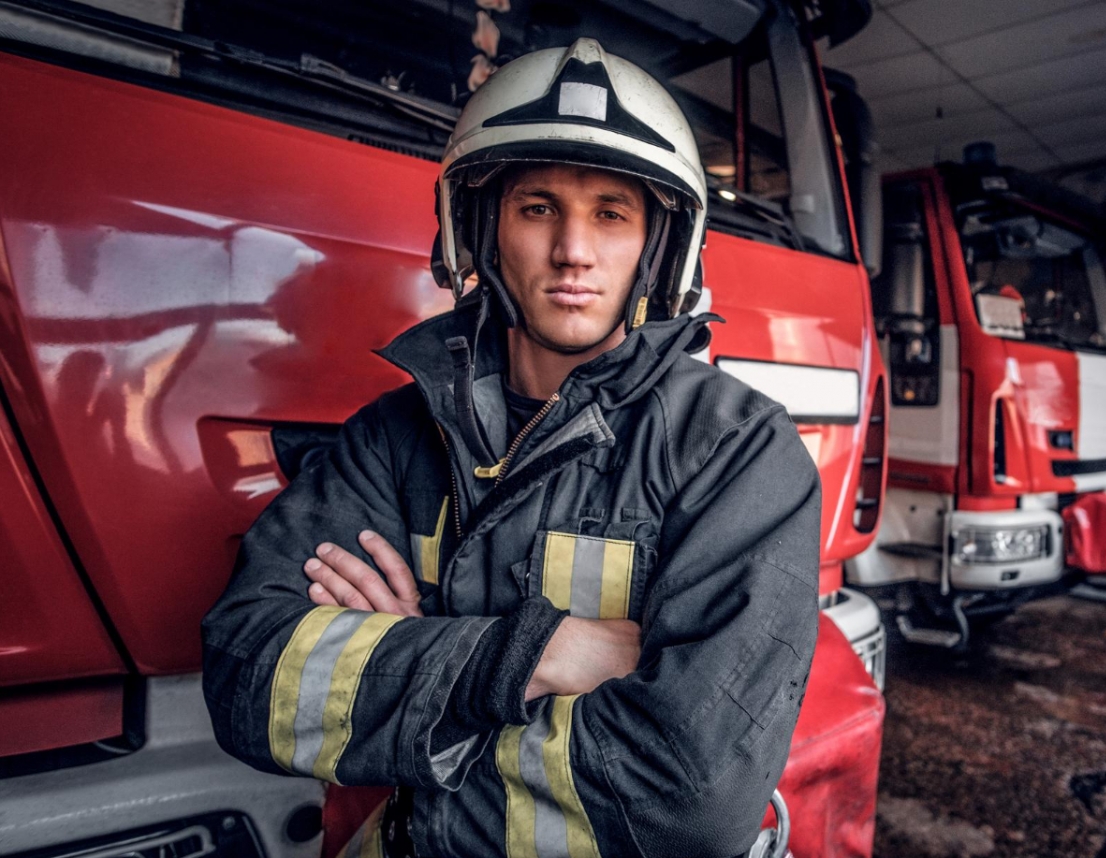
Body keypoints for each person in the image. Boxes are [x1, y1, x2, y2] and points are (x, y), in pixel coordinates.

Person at [202, 38, 820, 858]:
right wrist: (538, 652)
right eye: (538, 208)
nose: (573, 249)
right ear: (482, 230)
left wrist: (411, 675)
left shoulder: (738, 453)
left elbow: (691, 799)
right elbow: (250, 676)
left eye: (611, 213)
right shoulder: (391, 439)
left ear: (660, 246)